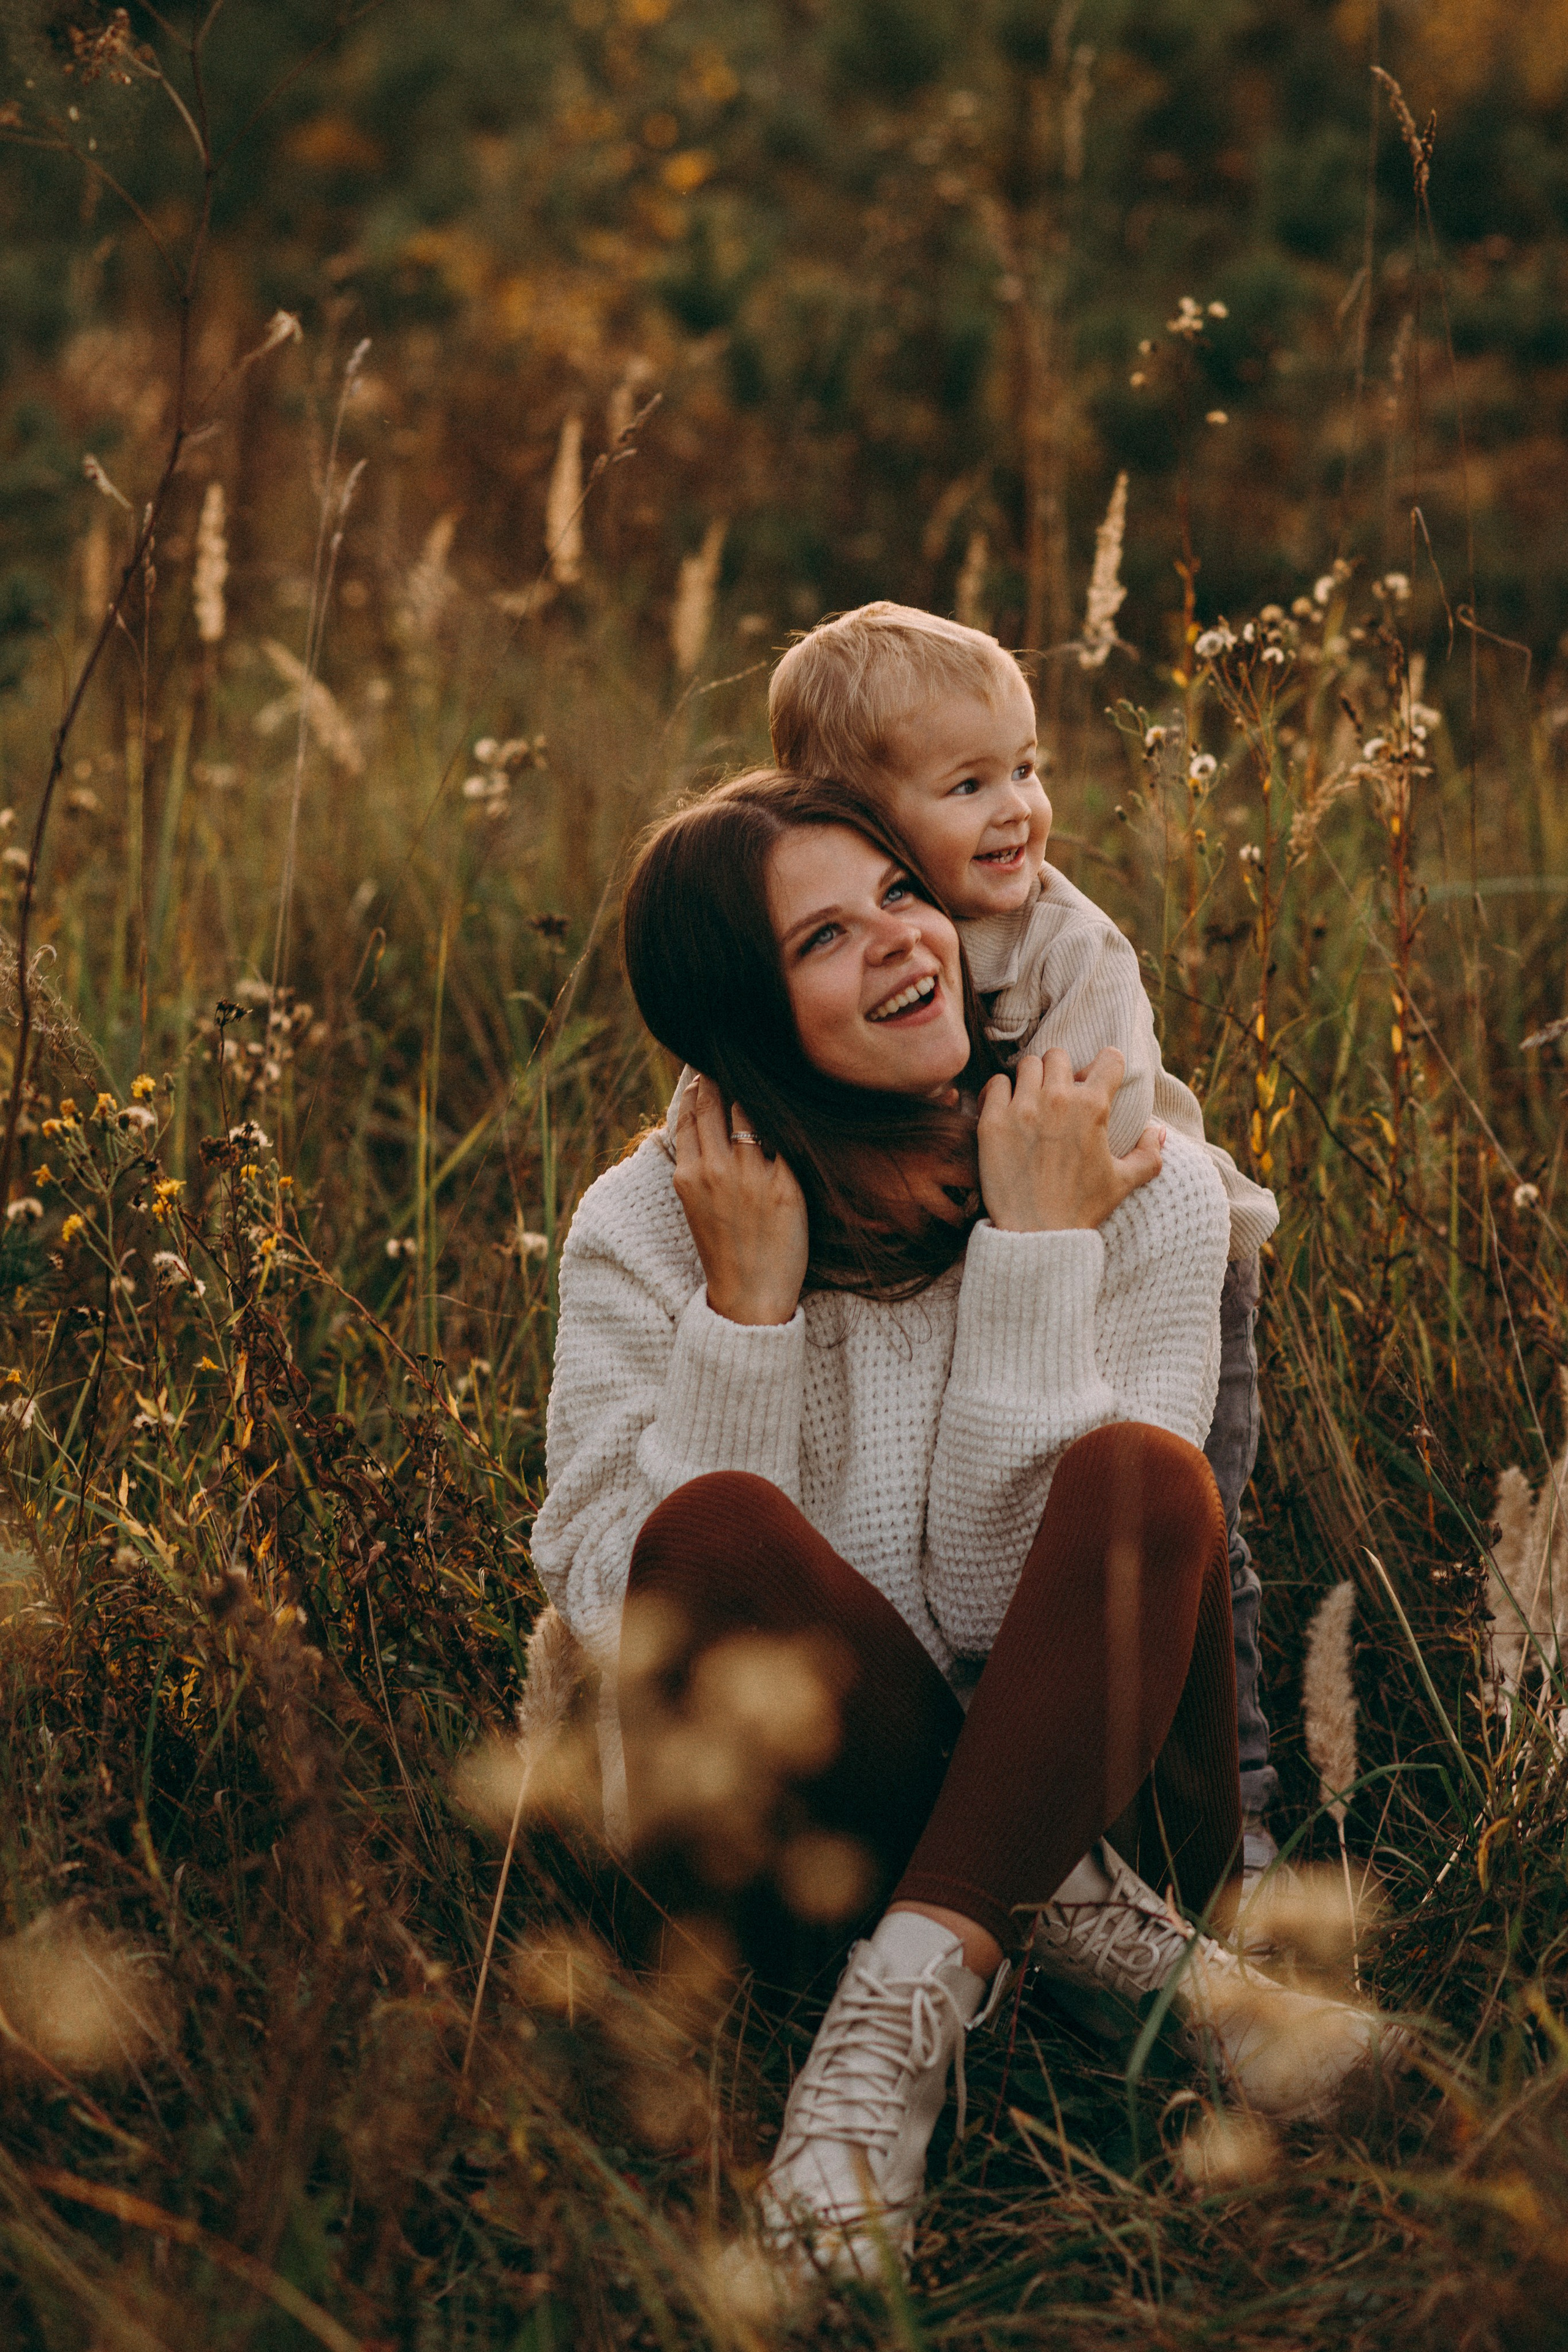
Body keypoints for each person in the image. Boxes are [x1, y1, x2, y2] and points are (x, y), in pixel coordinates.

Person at [530, 769, 1399, 2279]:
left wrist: (1034, 1253)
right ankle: (1095, 1956)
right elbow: (627, 1607)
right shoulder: (650, 1222)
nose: (896, 942)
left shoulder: (1137, 1181)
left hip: (1113, 1796)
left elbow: (1016, 1599)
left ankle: (883, 2050)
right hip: (782, 1839)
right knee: (712, 1527)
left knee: (1141, 1479)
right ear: (740, 1011)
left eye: (896, 893)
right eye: (819, 939)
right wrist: (743, 1317)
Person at [769, 603, 1281, 1871]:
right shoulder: (856, 941)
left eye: (1026, 768)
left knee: (1195, 1536)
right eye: (967, 783)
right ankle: (1011, 1805)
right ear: (857, 818)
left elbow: (1081, 1134)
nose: (1017, 811)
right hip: (1013, 1262)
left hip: (1165, 1254)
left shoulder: (1067, 943)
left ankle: (1243, 1811)